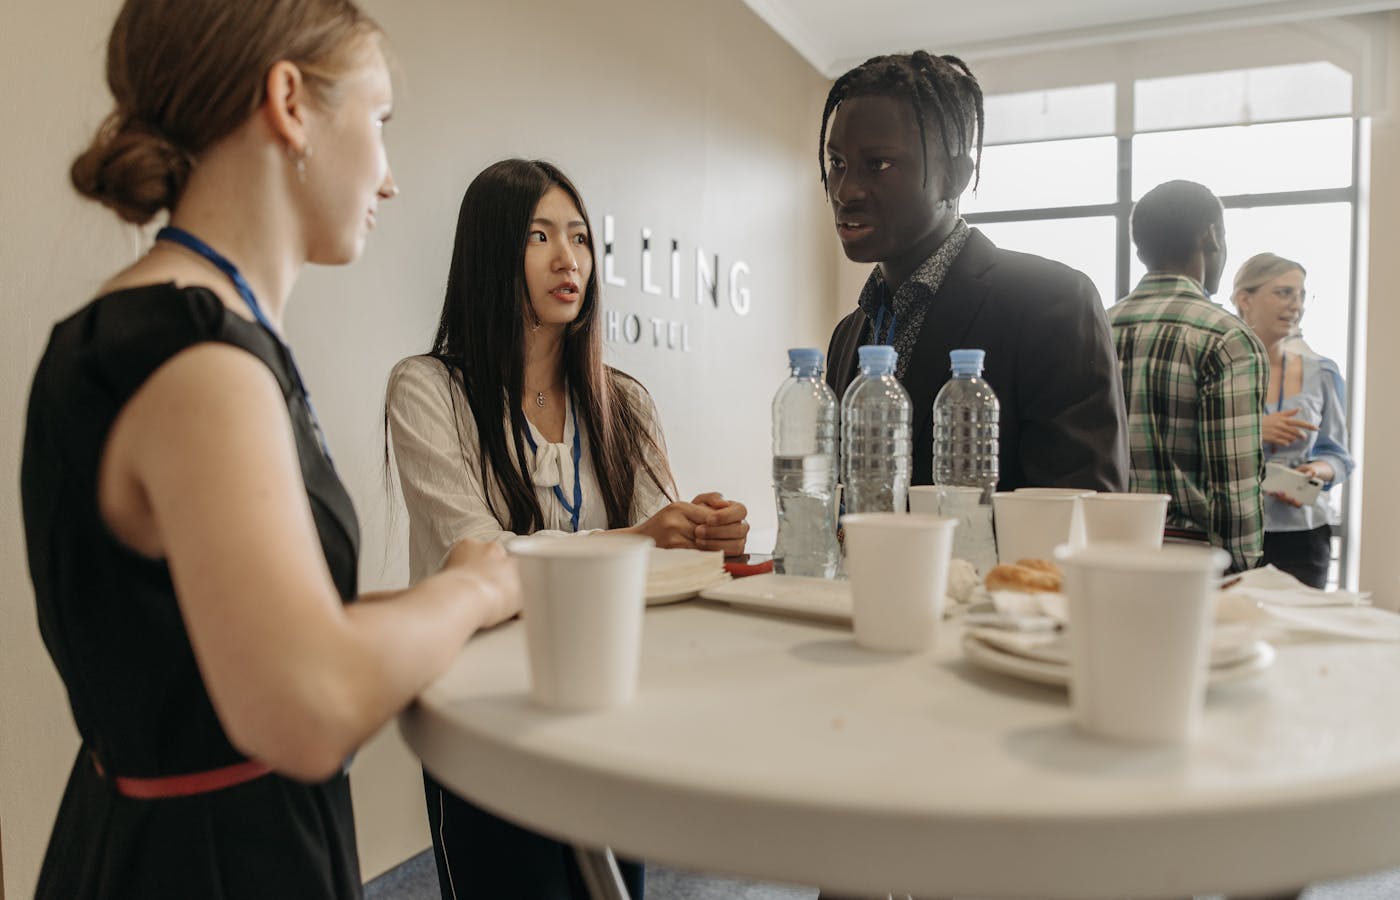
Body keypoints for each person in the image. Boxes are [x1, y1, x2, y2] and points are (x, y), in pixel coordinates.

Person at [19, 2, 521, 897]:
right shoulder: (198, 362)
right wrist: (477, 588)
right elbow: (311, 704)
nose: (389, 180)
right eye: (378, 121)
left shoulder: (168, 332)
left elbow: (252, 638)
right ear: (289, 103)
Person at [385, 158, 750, 900]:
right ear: (490, 253)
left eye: (580, 238)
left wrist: (701, 534)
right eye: (539, 236)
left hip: (605, 697)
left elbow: (665, 554)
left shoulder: (624, 401)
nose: (568, 259)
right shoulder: (428, 390)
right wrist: (640, 539)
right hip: (485, 709)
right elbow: (477, 555)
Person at [819, 51, 1129, 493]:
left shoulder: (1053, 303)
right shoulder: (849, 334)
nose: (845, 191)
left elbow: (1083, 508)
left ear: (955, 177)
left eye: (879, 165)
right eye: (837, 163)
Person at [1109, 180, 1267, 574]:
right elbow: (1234, 487)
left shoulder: (1096, 326)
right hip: (1191, 564)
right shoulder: (1225, 338)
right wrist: (1239, 570)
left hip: (1102, 552)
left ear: (1140, 249)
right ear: (1211, 236)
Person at [1231, 253, 1353, 588]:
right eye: (1284, 293)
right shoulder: (1221, 369)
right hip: (1235, 532)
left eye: (1301, 295)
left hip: (1304, 535)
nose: (1296, 305)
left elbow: (1338, 457)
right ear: (1245, 299)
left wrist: (1315, 472)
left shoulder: (1323, 373)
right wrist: (1254, 431)